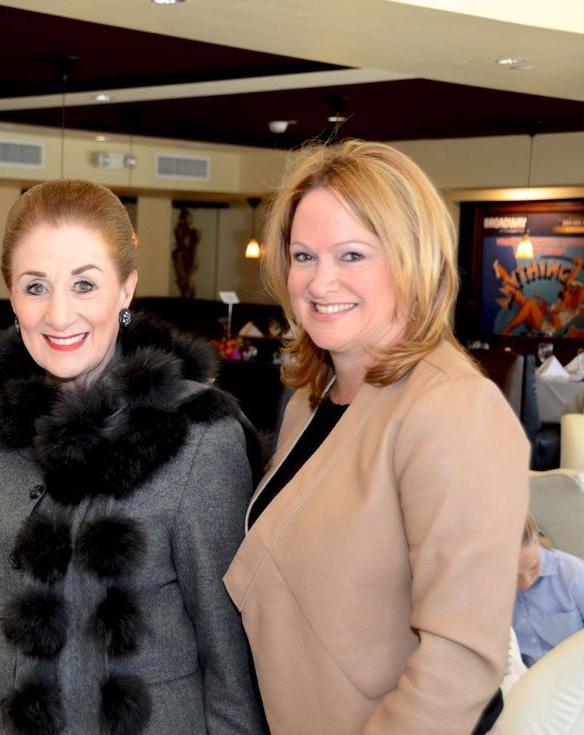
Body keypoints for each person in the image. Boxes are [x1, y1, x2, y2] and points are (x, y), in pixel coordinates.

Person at [0, 179, 266, 735]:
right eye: (35, 287)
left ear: (126, 289)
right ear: (11, 295)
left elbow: (228, 647)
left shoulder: (197, 433)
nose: (59, 315)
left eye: (85, 284)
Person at [224, 140, 529, 735]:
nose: (320, 280)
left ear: (411, 259)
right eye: (304, 255)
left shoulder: (451, 407)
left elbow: (460, 658)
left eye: (353, 254)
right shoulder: (313, 400)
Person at [513, 515, 584, 667]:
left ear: (537, 540)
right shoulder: (487, 588)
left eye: (533, 567)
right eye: (512, 575)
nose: (525, 583)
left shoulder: (574, 575)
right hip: (525, 681)